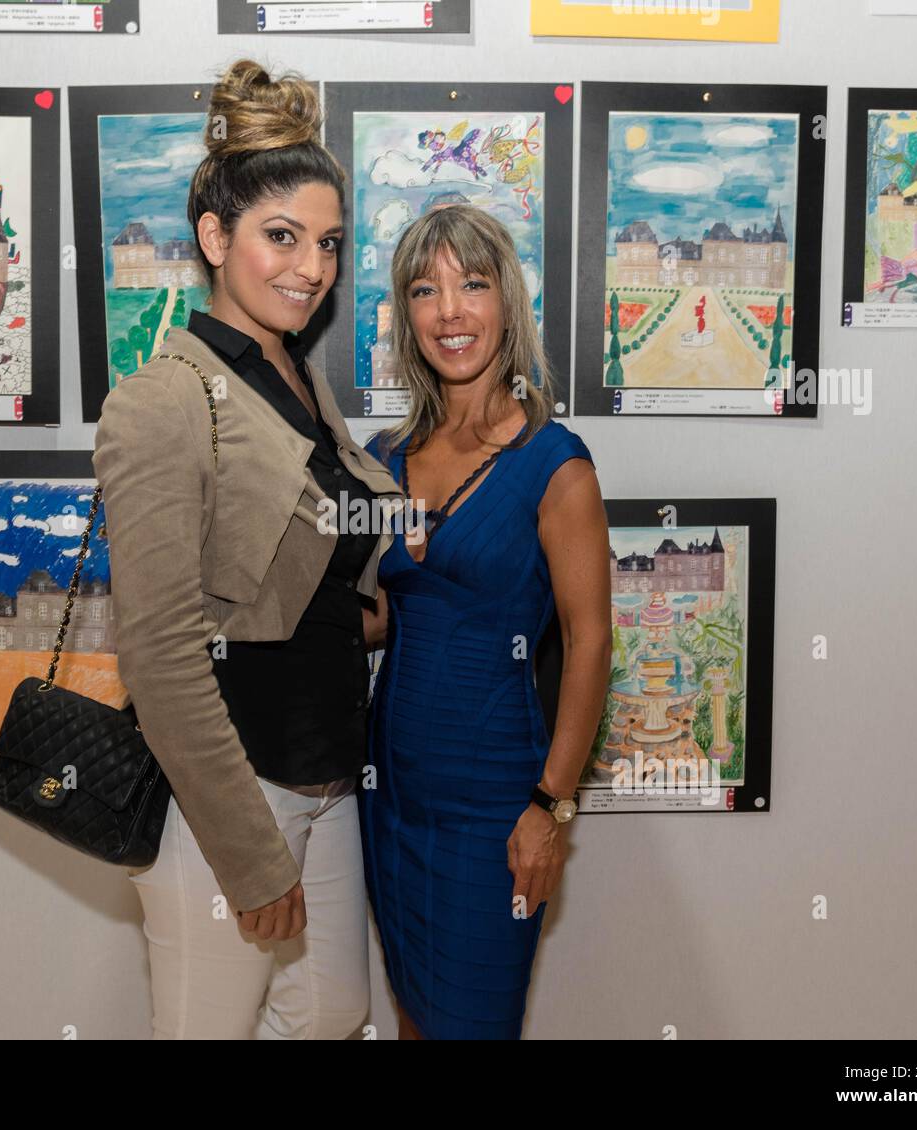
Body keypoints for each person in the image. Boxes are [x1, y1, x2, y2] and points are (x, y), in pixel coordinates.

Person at [92, 58, 402, 1040]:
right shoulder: (163, 398)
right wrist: (248, 850)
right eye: (282, 237)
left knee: (332, 1010)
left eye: (327, 243)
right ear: (214, 237)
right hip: (225, 790)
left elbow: (297, 567)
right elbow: (159, 650)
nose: (310, 266)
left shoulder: (301, 384)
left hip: (322, 771)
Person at [359, 204, 614, 1039]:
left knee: (475, 1021)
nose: (450, 312)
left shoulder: (555, 463)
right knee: (410, 1015)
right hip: (389, 794)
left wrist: (552, 807)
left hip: (499, 809)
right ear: (406, 314)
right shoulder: (386, 456)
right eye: (426, 291)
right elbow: (386, 615)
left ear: (506, 299)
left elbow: (590, 644)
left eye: (472, 284)